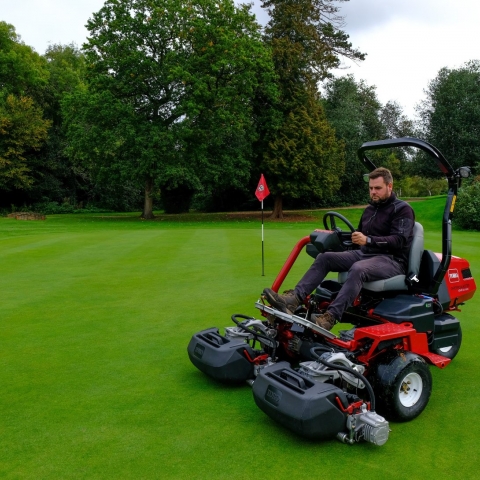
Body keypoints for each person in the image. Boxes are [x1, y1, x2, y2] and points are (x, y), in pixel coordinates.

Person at [263, 167, 415, 330]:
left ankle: (330, 317)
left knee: (358, 269)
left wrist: (368, 240)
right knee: (325, 257)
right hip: (365, 254)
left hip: (391, 260)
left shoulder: (402, 209)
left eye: (377, 188)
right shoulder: (370, 209)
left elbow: (398, 240)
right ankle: (294, 299)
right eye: (371, 188)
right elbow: (358, 238)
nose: (373, 192)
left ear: (390, 186)